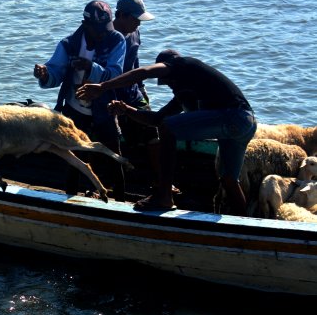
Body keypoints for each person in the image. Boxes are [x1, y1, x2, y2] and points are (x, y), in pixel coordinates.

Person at [76, 50, 256, 215]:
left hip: (233, 117)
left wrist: (103, 87)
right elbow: (156, 120)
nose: (168, 84)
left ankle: (164, 196)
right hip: (246, 124)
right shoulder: (187, 91)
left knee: (169, 128)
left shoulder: (181, 64)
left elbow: (145, 72)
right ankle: (246, 222)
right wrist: (126, 110)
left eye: (167, 79)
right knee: (229, 180)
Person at [33, 0, 126, 199]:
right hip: (75, 110)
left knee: (114, 157)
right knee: (74, 157)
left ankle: (120, 199)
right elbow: (55, 74)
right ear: (85, 25)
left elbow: (115, 74)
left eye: (105, 28)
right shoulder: (68, 44)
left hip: (104, 109)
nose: (103, 33)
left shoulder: (116, 40)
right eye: (98, 29)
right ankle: (69, 197)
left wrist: (89, 67)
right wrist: (44, 75)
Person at [112, 0, 169, 192]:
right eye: (135, 19)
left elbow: (135, 63)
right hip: (111, 95)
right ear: (120, 15)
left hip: (133, 93)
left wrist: (142, 89)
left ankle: (160, 180)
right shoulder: (107, 36)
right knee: (109, 136)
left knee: (153, 132)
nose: (138, 23)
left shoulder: (135, 34)